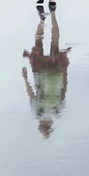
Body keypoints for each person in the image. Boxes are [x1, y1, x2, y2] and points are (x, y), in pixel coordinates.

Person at [22, 8, 71, 139]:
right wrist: (25, 78)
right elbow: (31, 93)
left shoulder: (58, 112)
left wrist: (64, 70)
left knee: (55, 43)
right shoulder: (37, 112)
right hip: (41, 72)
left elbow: (64, 89)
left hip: (56, 72)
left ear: (51, 124)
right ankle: (42, 20)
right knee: (38, 42)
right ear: (40, 124)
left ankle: (53, 15)